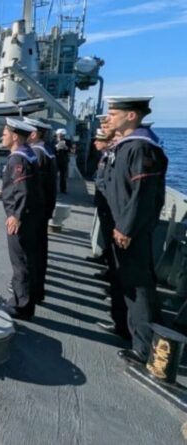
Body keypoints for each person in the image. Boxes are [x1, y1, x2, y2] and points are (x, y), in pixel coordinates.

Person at [103, 96, 168, 364]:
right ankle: (127, 331)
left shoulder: (141, 148)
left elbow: (142, 194)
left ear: (131, 116)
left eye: (114, 113)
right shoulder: (130, 146)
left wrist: (126, 228)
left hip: (132, 232)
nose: (109, 118)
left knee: (139, 288)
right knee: (127, 283)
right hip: (123, 228)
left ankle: (143, 349)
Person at [1, 118, 45, 320]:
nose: (2, 136)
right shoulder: (28, 155)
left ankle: (22, 306)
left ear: (15, 136)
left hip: (22, 219)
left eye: (5, 133)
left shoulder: (18, 159)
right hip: (31, 216)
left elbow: (23, 190)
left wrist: (15, 216)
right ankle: (29, 297)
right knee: (28, 259)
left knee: (20, 261)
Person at [91, 128, 131, 340]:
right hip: (109, 210)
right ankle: (119, 317)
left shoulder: (129, 154)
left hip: (119, 219)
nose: (96, 142)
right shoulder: (109, 157)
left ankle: (124, 326)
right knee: (114, 263)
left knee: (122, 270)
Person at [23, 117, 57, 304]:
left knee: (30, 252)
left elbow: (30, 188)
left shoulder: (35, 153)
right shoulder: (48, 150)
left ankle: (30, 291)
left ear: (34, 134)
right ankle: (37, 289)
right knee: (39, 251)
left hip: (34, 212)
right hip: (43, 209)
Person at [54, 128, 72, 193]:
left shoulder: (67, 141)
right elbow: (51, 149)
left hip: (64, 160)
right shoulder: (54, 141)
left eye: (62, 135)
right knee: (54, 175)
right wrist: (56, 147)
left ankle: (63, 189)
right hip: (56, 159)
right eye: (60, 135)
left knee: (63, 176)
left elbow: (71, 150)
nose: (61, 136)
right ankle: (53, 188)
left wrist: (66, 147)